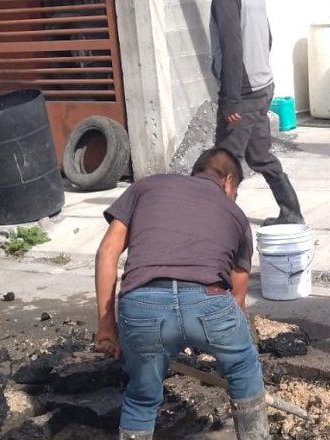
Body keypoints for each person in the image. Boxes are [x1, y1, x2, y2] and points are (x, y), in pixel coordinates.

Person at [94, 148, 269, 439]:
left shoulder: (146, 187)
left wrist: (106, 327)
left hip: (142, 304)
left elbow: (107, 252)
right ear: (227, 181)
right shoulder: (236, 216)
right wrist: (221, 342)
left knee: (141, 394)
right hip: (209, 302)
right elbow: (237, 300)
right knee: (243, 369)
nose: (233, 198)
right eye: (235, 191)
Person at [210, 0, 304, 226]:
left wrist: (231, 99)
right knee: (259, 156)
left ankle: (220, 222)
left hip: (244, 92)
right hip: (262, 84)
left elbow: (231, 44)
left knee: (223, 161)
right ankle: (291, 212)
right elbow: (268, 36)